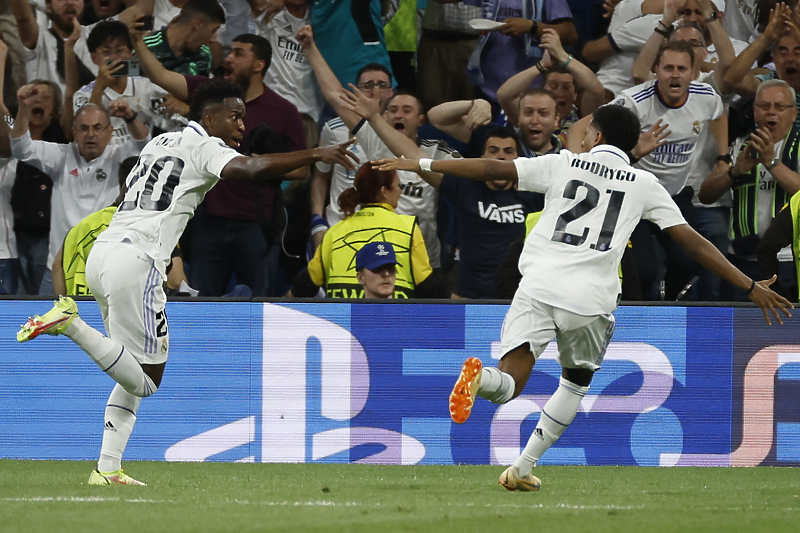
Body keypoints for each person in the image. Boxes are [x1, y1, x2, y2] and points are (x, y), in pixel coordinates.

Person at [373, 104, 792, 491]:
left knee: (509, 385)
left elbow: (491, 167)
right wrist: (750, 286)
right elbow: (695, 244)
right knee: (574, 384)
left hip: (537, 286)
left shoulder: (563, 163)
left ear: (595, 136)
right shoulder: (645, 183)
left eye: (587, 130)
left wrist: (422, 162)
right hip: (589, 300)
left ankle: (481, 381)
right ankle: (523, 465)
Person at [15, 78, 358, 486]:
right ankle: (70, 324)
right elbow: (249, 168)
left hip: (105, 250)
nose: (241, 126)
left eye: (243, 118)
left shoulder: (159, 143)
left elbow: (134, 191)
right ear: (208, 117)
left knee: (129, 366)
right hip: (137, 261)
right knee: (146, 380)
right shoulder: (205, 145)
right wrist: (317, 151)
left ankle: (107, 469)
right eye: (234, 116)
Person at [613, 39, 728, 300]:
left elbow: (719, 114)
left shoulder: (705, 97)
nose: (675, 74)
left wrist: (723, 157)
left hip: (673, 196)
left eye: (682, 68)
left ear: (693, 73)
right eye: (668, 68)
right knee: (644, 271)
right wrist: (633, 152)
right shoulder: (634, 102)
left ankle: (671, 305)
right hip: (636, 197)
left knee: (690, 262)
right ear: (656, 70)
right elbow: (596, 127)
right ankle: (638, 318)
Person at [11, 88, 150, 295]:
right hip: (59, 265)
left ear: (110, 132)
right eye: (83, 128)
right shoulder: (60, 157)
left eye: (97, 128)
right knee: (49, 324)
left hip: (102, 266)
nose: (91, 134)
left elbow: (144, 145)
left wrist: (129, 117)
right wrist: (23, 109)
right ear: (74, 132)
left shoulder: (118, 156)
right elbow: (21, 148)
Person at [700, 79, 800, 299]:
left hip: (787, 261)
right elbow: (705, 195)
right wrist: (735, 171)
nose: (771, 112)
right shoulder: (741, 146)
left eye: (779, 107)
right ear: (755, 112)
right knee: (739, 332)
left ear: (794, 113)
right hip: (741, 262)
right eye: (764, 107)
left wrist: (772, 163)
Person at [290, 165, 443, 299]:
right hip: (393, 318)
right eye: (398, 186)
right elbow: (426, 286)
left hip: (343, 322)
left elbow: (304, 286)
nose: (400, 192)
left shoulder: (335, 231)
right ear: (384, 191)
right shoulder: (408, 227)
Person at [142, 0, 224, 76]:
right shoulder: (145, 48)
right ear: (198, 24)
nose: (212, 39)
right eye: (213, 31)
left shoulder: (203, 55)